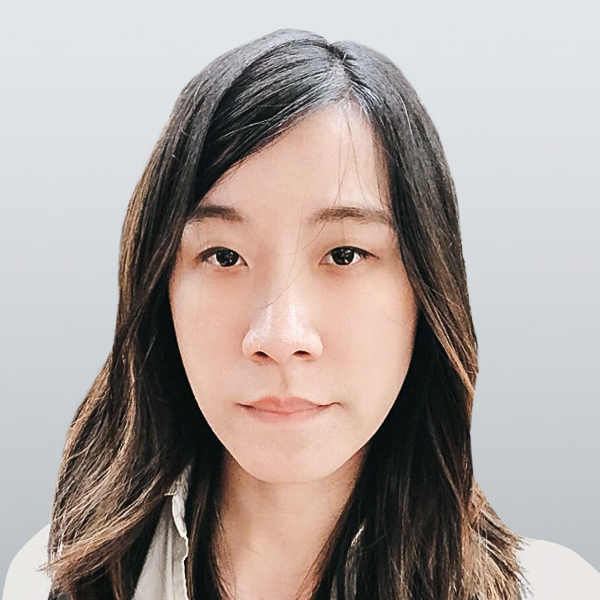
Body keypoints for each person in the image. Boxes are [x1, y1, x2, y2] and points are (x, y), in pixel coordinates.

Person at [3, 28, 600, 600]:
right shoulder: (50, 581)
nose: (280, 335)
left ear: (427, 288)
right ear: (161, 289)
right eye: (224, 256)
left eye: (345, 254)